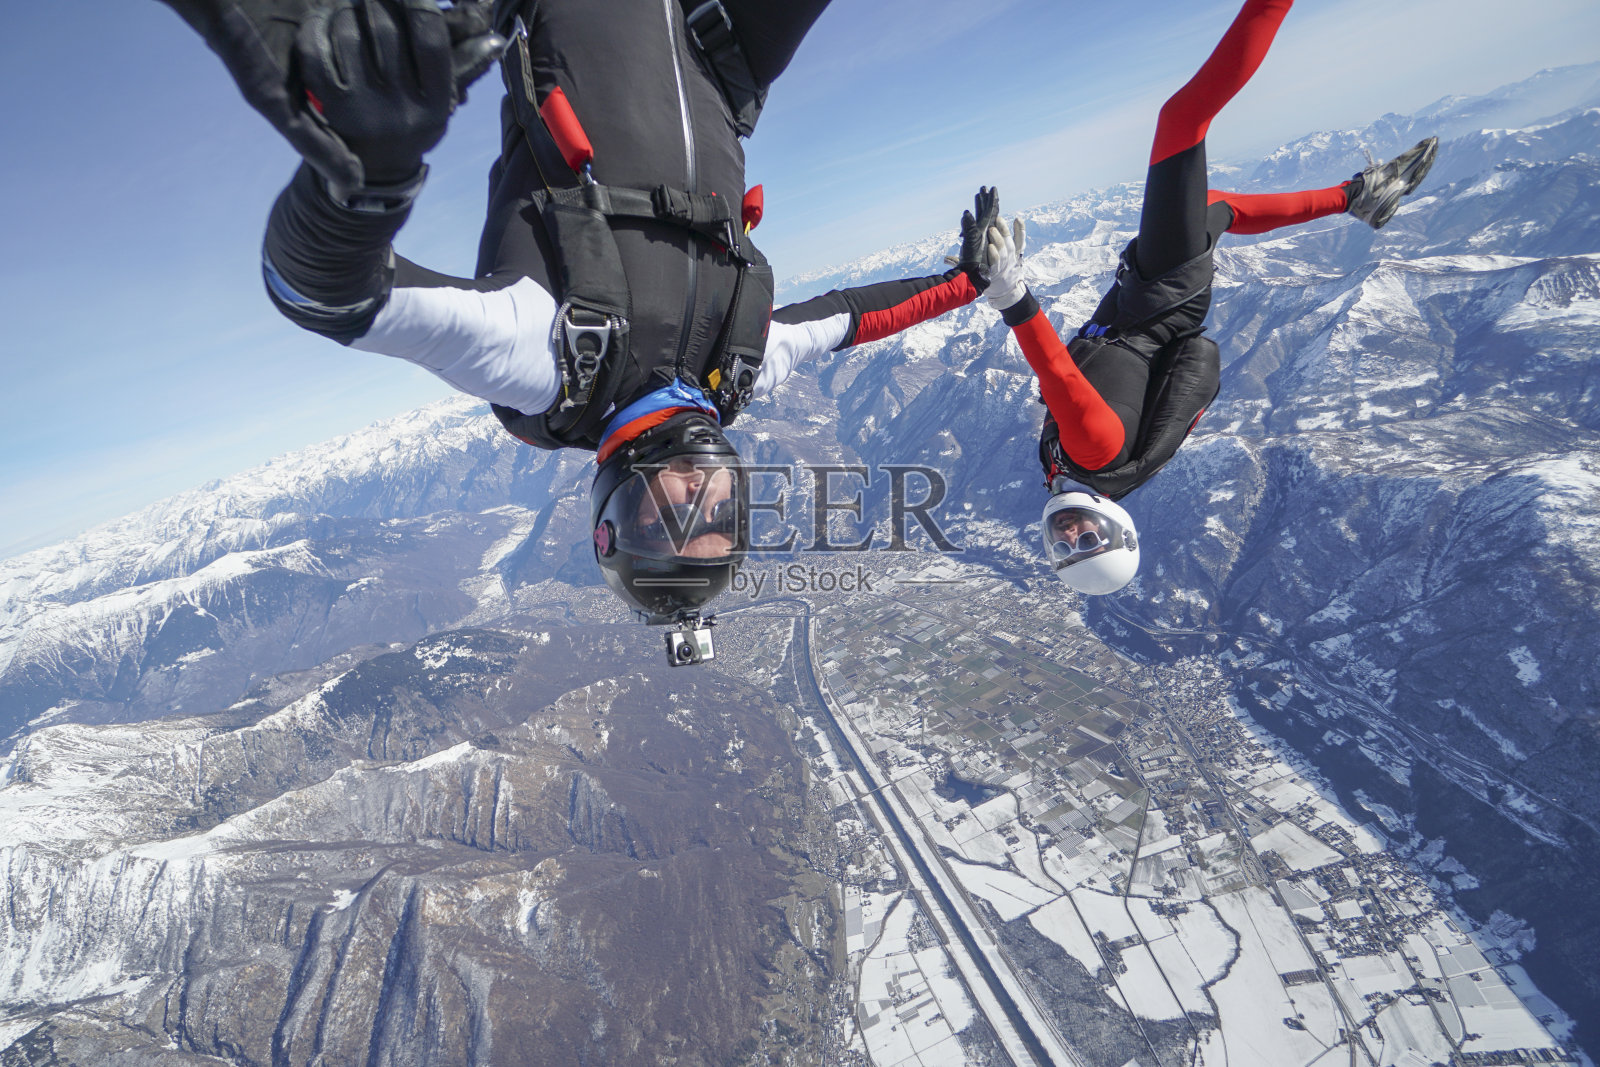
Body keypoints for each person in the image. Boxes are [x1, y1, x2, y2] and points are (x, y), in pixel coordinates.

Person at [160, 0, 994, 625]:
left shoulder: (551, 365)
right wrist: (972, 281)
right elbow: (851, 319)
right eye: (720, 514)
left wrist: (364, 179)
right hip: (719, 55)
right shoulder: (734, 372)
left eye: (673, 517)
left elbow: (327, 295)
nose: (700, 490)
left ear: (618, 514)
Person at [977, 0, 1437, 596]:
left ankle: (1357, 197)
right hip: (1159, 295)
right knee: (1182, 118)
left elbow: (1076, 370)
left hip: (1146, 298)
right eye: (1090, 540)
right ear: (1119, 530)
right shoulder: (1095, 456)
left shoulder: (1072, 472)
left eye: (1064, 549)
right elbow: (1058, 374)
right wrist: (1012, 294)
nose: (1070, 534)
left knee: (1214, 207)